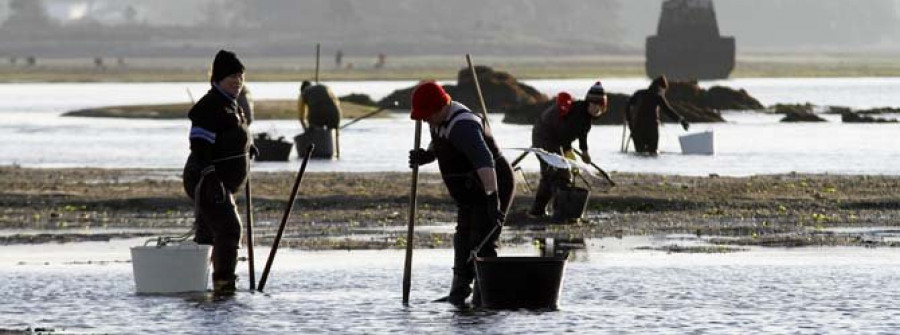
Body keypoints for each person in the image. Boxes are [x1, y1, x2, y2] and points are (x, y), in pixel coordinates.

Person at [407, 81, 515, 307]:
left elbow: (485, 163)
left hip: (492, 185)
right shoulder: (437, 119)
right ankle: (458, 294)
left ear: (439, 107)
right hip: (468, 192)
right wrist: (427, 155)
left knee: (481, 242)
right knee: (463, 239)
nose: (424, 120)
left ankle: (486, 299)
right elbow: (441, 139)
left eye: (426, 115)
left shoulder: (464, 126)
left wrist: (492, 201)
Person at [182, 50, 258, 295]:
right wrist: (212, 176)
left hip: (220, 182)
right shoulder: (209, 106)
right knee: (229, 229)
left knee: (207, 234)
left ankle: (194, 288)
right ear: (217, 79)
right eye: (231, 76)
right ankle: (225, 287)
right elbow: (200, 146)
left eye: (240, 76)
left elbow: (232, 136)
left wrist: (248, 148)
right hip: (205, 179)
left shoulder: (232, 105)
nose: (237, 81)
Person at [528, 81, 609, 218]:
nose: (596, 109)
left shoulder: (586, 117)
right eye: (594, 105)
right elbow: (564, 134)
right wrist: (569, 154)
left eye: (599, 107)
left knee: (549, 175)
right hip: (545, 137)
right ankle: (559, 212)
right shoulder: (577, 112)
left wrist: (584, 152)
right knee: (561, 174)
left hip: (553, 139)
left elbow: (582, 134)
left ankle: (537, 211)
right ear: (588, 103)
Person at [625, 75, 690, 154]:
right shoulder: (657, 96)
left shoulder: (639, 93)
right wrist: (681, 120)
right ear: (661, 87)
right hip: (651, 129)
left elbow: (628, 105)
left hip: (637, 129)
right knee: (653, 153)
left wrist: (629, 121)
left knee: (640, 153)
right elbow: (668, 110)